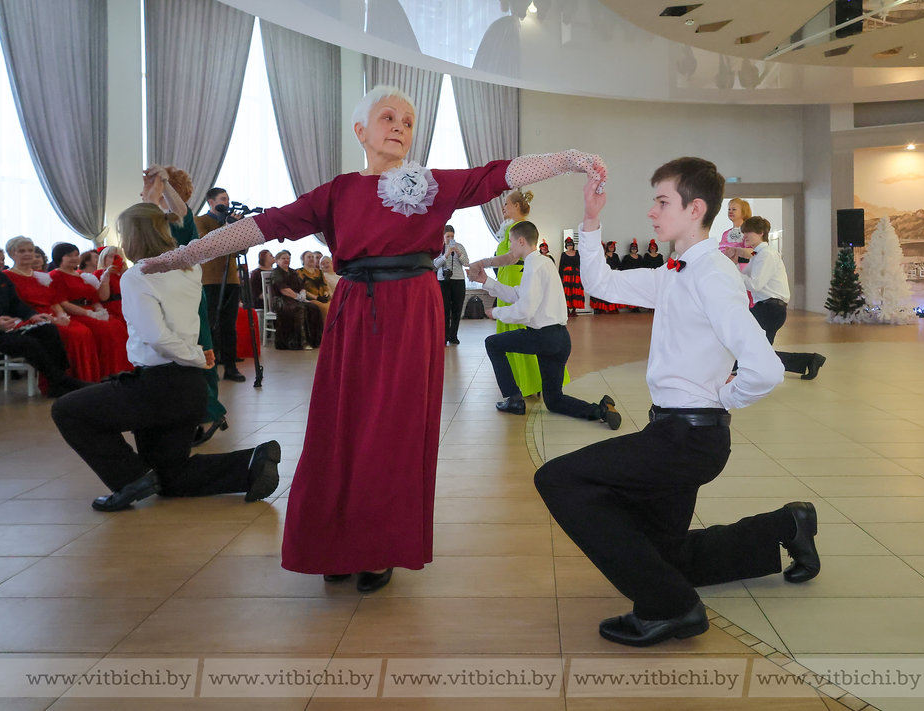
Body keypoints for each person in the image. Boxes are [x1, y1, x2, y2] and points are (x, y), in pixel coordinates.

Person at [139, 84, 607, 594]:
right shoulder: (337, 191)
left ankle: (379, 545)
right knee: (340, 427)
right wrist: (180, 256)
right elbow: (263, 227)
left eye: (408, 121)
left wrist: (568, 159)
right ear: (360, 130)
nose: (400, 126)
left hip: (412, 312)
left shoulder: (430, 184)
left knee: (394, 430)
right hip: (355, 312)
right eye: (388, 117)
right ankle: (336, 544)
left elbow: (498, 174)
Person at [535, 159, 820, 648]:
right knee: (664, 557)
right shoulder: (676, 272)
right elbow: (602, 285)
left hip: (688, 439)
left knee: (558, 479)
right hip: (673, 432)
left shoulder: (712, 274)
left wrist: (723, 397)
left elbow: (766, 367)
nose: (651, 211)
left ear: (695, 209)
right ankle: (786, 525)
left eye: (662, 201)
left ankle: (671, 608)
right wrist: (590, 220)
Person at [50, 202, 281, 512]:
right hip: (190, 387)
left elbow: (157, 337)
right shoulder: (189, 268)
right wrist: (195, 356)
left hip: (159, 387)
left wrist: (194, 355)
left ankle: (130, 480)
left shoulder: (138, 275)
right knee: (168, 477)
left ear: (133, 237)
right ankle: (251, 463)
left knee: (67, 411)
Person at [470, 220, 621, 429]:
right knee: (554, 400)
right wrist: (487, 282)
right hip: (561, 339)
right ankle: (601, 410)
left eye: (511, 242)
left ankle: (514, 399)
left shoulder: (533, 266)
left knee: (492, 343)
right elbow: (518, 295)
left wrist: (496, 312)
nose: (510, 247)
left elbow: (525, 310)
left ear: (521, 241)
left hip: (543, 337)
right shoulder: (544, 262)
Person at [141, 165, 229, 446]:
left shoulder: (178, 219)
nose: (142, 193)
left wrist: (163, 183)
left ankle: (209, 412)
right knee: (175, 353)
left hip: (185, 295)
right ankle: (183, 413)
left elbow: (181, 211)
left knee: (198, 349)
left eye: (147, 187)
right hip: (163, 294)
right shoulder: (155, 221)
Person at [0, 231, 87, 397]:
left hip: (4, 331)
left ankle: (58, 381)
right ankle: (61, 381)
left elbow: (16, 304)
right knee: (28, 342)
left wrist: (32, 315)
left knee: (48, 330)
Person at [735, 216, 826, 380]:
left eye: (749, 232)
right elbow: (744, 273)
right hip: (767, 308)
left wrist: (734, 274)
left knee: (753, 346)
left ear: (761, 233)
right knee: (759, 350)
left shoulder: (766, 255)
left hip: (770, 309)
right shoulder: (758, 254)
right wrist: (733, 264)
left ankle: (733, 366)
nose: (745, 236)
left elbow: (755, 284)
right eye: (744, 232)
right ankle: (810, 360)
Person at [4, 235, 101, 383]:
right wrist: (49, 318)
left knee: (84, 331)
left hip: (52, 313)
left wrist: (62, 315)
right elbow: (14, 305)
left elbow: (54, 301)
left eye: (30, 250)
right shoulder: (7, 276)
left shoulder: (41, 276)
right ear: (12, 254)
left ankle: (85, 378)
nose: (27, 254)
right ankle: (62, 380)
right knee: (72, 335)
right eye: (22, 251)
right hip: (30, 317)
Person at [490, 189, 545, 397]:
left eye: (506, 203)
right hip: (507, 277)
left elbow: (511, 257)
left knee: (517, 329)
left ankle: (532, 381)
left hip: (514, 278)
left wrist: (484, 263)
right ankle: (524, 381)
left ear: (516, 206)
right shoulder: (510, 227)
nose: (503, 207)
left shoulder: (518, 228)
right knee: (512, 329)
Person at [49, 242, 132, 378]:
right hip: (75, 313)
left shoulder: (82, 275)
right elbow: (63, 303)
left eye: (76, 255)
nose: (74, 258)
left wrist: (100, 310)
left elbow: (94, 298)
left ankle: (121, 369)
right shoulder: (55, 275)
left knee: (116, 325)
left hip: (90, 310)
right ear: (59, 257)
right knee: (105, 330)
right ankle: (105, 372)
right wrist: (89, 313)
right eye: (69, 255)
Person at [195, 187, 244, 383]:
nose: (227, 203)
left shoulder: (229, 222)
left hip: (231, 279)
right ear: (211, 202)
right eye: (223, 199)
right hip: (210, 281)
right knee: (211, 325)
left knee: (229, 327)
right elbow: (207, 244)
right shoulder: (200, 221)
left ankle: (231, 367)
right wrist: (227, 227)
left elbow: (242, 249)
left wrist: (237, 229)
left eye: (228, 199)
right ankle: (210, 368)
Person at [270, 249, 323, 350]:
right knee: (299, 309)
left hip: (295, 298)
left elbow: (301, 285)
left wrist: (302, 293)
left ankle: (314, 341)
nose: (286, 260)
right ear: (277, 260)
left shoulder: (293, 272)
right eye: (283, 258)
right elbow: (284, 290)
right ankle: (300, 342)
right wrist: (297, 297)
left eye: (288, 258)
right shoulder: (276, 273)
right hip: (282, 300)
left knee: (314, 308)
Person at [433, 224, 469, 345]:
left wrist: (458, 252)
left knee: (457, 309)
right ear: (443, 236)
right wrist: (446, 255)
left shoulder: (460, 246)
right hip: (443, 281)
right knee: (444, 310)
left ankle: (453, 336)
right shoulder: (438, 247)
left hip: (458, 280)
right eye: (447, 236)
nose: (450, 239)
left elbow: (466, 263)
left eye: (452, 236)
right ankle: (444, 336)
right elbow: (435, 265)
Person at [94, 246, 127, 321]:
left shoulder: (126, 274)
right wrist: (106, 275)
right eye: (112, 256)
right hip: (110, 311)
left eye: (118, 257)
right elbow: (103, 297)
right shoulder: (99, 273)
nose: (114, 259)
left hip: (126, 308)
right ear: (104, 258)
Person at [297, 251, 331, 321]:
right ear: (303, 259)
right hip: (310, 299)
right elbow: (301, 289)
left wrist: (326, 293)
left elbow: (324, 285)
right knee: (325, 308)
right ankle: (326, 327)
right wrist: (316, 297)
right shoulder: (299, 272)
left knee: (335, 305)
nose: (311, 259)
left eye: (312, 257)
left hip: (322, 297)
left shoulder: (319, 271)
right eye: (309, 257)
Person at [558, 237, 584, 316]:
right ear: (566, 245)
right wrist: (560, 277)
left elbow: (581, 264)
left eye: (571, 244)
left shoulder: (578, 253)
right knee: (567, 292)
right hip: (566, 276)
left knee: (575, 291)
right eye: (568, 245)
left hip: (576, 275)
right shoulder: (563, 254)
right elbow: (561, 266)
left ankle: (574, 310)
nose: (570, 246)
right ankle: (567, 310)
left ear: (573, 245)